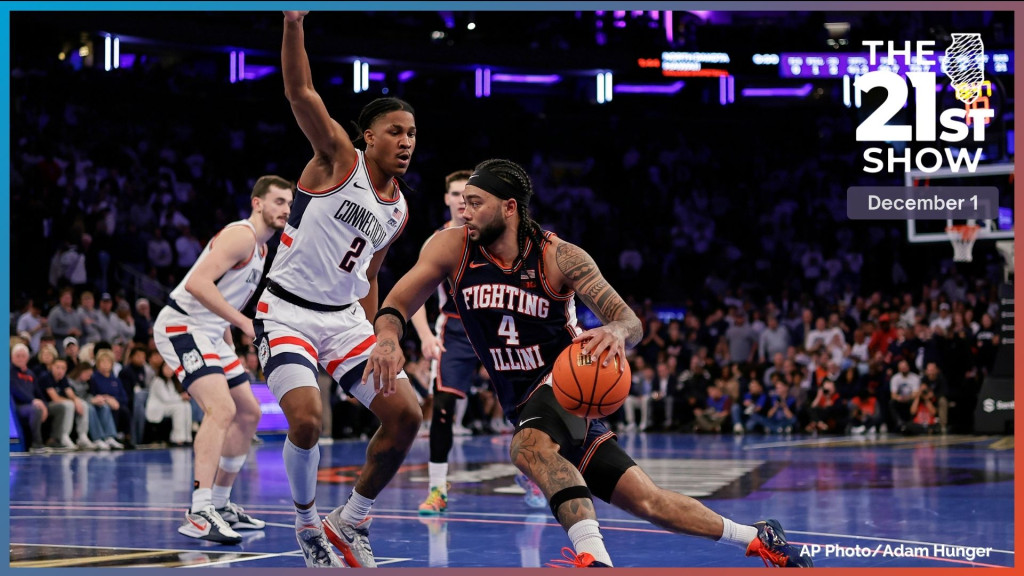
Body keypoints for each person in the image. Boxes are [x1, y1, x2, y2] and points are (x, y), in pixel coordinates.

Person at [361, 159, 811, 568]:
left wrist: (616, 331)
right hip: (523, 401)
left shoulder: (557, 256)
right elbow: (396, 303)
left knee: (526, 448)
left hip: (565, 382)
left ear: (509, 207)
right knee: (648, 501)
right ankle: (756, 536)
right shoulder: (451, 247)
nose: (465, 210)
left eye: (476, 202)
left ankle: (595, 559)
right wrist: (386, 338)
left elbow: (630, 321)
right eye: (464, 202)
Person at [257, 10, 422, 568]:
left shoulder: (399, 209)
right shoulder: (338, 159)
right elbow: (299, 91)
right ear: (369, 136)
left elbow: (370, 275)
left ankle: (350, 519)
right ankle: (307, 522)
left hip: (345, 319)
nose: (406, 141)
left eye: (412, 134)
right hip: (286, 312)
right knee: (307, 419)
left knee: (407, 416)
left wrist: (380, 338)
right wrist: (293, 21)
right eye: (396, 131)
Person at [153, 175, 293, 545]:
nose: (286, 209)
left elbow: (223, 296)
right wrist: (244, 323)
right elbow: (198, 283)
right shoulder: (242, 236)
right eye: (279, 201)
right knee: (221, 409)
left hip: (211, 332)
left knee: (248, 412)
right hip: (182, 325)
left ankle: (220, 503)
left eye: (289, 203)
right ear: (257, 203)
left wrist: (229, 341)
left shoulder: (262, 250)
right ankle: (199, 512)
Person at [410, 169, 547, 515]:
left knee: (521, 408)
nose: (462, 201)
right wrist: (425, 337)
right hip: (456, 329)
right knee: (443, 406)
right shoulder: (437, 242)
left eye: (469, 195)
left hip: (499, 326)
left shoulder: (498, 235)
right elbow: (412, 296)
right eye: (456, 194)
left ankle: (529, 472)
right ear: (446, 198)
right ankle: (437, 488)